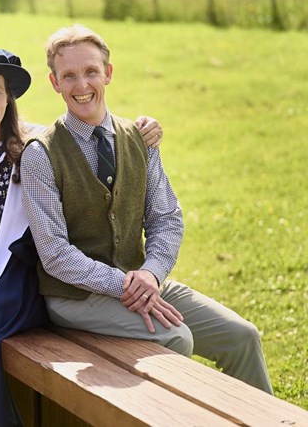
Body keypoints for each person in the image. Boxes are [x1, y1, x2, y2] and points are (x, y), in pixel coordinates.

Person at [0, 50, 165, 426]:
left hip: (14, 285)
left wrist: (144, 127)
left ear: (9, 98)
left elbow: (88, 132)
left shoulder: (35, 151)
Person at [21, 24, 273, 394]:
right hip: (74, 296)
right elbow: (56, 255)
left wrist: (151, 275)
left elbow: (166, 218)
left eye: (91, 71)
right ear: (54, 82)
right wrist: (125, 283)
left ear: (108, 73)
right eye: (69, 75)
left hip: (142, 280)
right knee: (175, 337)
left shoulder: (140, 138)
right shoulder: (40, 155)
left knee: (241, 336)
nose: (81, 85)